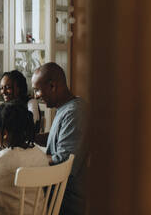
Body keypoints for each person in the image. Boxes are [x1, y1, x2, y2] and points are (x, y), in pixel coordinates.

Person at [31, 62, 87, 215]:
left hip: (66, 202)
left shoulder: (74, 112)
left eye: (37, 90)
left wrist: (30, 159)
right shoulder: (66, 108)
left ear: (52, 86)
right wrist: (31, 137)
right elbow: (57, 138)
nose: (36, 96)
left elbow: (63, 160)